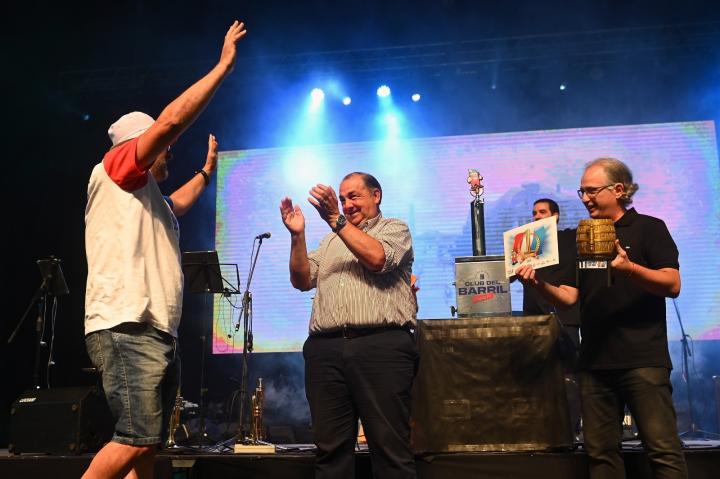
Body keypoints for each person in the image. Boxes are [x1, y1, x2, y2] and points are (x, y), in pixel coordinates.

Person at [82, 21, 247, 479]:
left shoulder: (148, 197)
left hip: (153, 328)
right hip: (126, 322)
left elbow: (179, 203)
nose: (170, 152)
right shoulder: (117, 168)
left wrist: (208, 171)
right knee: (136, 436)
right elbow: (173, 120)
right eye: (165, 148)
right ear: (142, 145)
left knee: (146, 446)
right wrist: (222, 68)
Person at [516, 158, 687, 478]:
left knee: (662, 450)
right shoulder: (582, 236)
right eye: (582, 191)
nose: (584, 198)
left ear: (619, 190)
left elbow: (673, 284)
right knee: (601, 455)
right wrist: (537, 284)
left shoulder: (649, 228)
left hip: (643, 361)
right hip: (594, 363)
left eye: (592, 191)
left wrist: (629, 268)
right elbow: (569, 297)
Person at [280, 172, 418, 479]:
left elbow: (378, 258)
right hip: (326, 351)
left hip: (381, 347)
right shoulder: (330, 240)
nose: (347, 204)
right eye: (342, 199)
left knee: (390, 450)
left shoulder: (394, 228)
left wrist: (335, 220)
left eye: (354, 196)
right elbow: (301, 280)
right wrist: (297, 236)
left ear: (376, 195)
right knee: (330, 453)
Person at [521, 198, 582, 436]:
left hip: (565, 318)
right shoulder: (528, 244)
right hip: (534, 321)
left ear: (555, 216)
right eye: (534, 213)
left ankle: (571, 429)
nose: (537, 216)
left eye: (542, 212)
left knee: (569, 377)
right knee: (538, 376)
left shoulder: (568, 239)